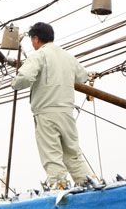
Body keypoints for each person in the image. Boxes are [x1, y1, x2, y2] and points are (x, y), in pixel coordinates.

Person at [10, 22, 97, 190]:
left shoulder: (39, 55)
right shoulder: (67, 57)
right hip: (66, 113)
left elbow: (26, 77)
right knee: (73, 155)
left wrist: (15, 83)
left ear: (36, 39)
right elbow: (82, 76)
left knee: (52, 156)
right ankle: (91, 187)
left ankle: (60, 189)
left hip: (46, 113)